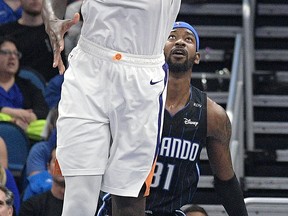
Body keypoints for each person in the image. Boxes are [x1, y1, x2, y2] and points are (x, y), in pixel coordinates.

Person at [41, 0, 188, 215]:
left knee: (128, 196)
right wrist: (51, 20)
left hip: (141, 74)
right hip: (89, 67)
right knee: (79, 195)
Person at [144, 21, 248, 216]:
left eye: (188, 39)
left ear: (197, 57)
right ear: (159, 50)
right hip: (122, 207)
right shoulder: (137, 98)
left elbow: (225, 181)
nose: (180, 43)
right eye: (172, 37)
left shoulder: (212, 115)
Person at [0, 0, 66, 82]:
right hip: (18, 88)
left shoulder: (55, 31)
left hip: (51, 88)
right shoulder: (5, 32)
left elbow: (62, 68)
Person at [0, 37, 49, 137]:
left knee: (48, 127)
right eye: (6, 52)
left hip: (26, 130)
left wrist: (30, 117)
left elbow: (43, 109)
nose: (12, 57)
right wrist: (11, 112)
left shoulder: (27, 85)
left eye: (16, 54)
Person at [19, 148, 65, 216]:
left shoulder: (85, 205)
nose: (60, 166)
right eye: (56, 161)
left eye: (66, 162)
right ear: (49, 168)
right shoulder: (31, 207)